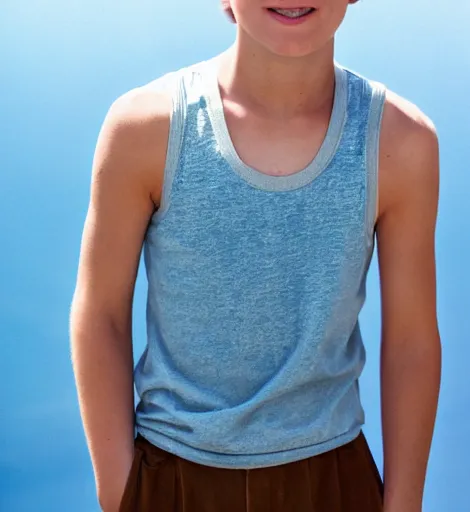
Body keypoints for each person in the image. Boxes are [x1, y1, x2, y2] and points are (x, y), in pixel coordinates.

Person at [70, 1, 442, 511]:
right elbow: (100, 314)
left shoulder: (401, 142)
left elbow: (412, 341)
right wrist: (122, 493)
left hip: (333, 479)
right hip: (171, 476)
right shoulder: (145, 128)